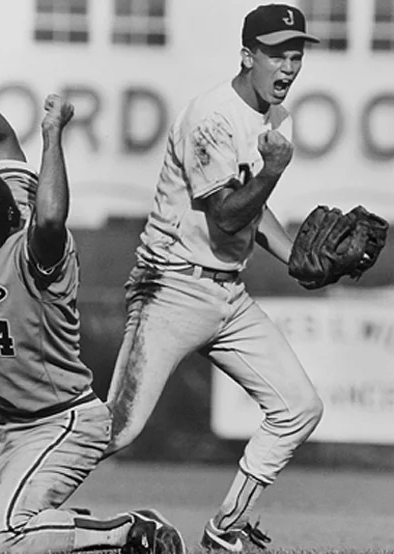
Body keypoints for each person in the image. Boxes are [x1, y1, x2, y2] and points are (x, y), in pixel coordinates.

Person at [0, 73, 186, 554]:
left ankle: (136, 534)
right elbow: (2, 137)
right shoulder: (7, 203)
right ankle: (59, 530)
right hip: (6, 424)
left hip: (59, 423)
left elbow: (52, 218)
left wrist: (54, 134)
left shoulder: (35, 257)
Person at [104, 4, 324, 552]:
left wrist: (295, 255)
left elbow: (252, 210)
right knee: (116, 430)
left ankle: (225, 531)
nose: (289, 65)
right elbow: (226, 212)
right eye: (277, 53)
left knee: (299, 407)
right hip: (171, 286)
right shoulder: (212, 115)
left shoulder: (276, 117)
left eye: (296, 54)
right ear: (248, 56)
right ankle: (19, 511)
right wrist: (273, 171)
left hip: (228, 291)